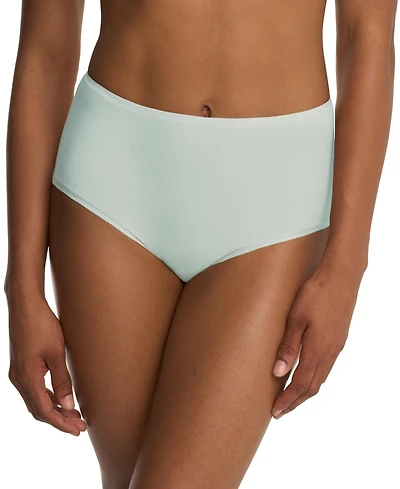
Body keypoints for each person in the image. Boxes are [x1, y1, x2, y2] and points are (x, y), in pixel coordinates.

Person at [4, 1, 397, 488]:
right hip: (112, 181)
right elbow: (46, 49)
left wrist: (346, 269)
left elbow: (367, 37)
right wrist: (22, 288)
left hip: (276, 196)